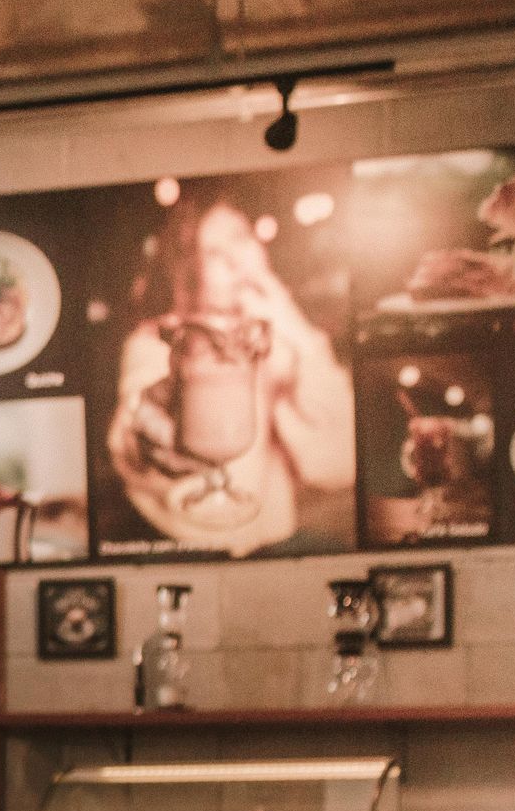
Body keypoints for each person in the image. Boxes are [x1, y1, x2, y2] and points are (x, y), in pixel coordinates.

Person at [105, 193, 355, 557]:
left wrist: (293, 324)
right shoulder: (161, 339)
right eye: (213, 253)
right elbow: (133, 434)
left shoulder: (282, 342)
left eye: (240, 238)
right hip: (185, 542)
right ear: (188, 271)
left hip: (272, 538)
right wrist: (147, 444)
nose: (236, 261)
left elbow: (338, 466)